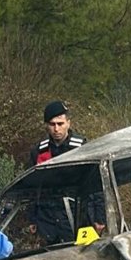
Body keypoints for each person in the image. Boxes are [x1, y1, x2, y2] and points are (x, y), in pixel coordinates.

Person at [29, 100, 88, 243]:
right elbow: (31, 186)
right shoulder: (39, 151)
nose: (56, 129)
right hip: (47, 216)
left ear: (68, 123)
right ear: (46, 126)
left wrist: (99, 217)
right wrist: (32, 217)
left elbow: (94, 183)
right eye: (52, 124)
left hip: (77, 214)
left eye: (60, 124)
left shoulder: (81, 147)